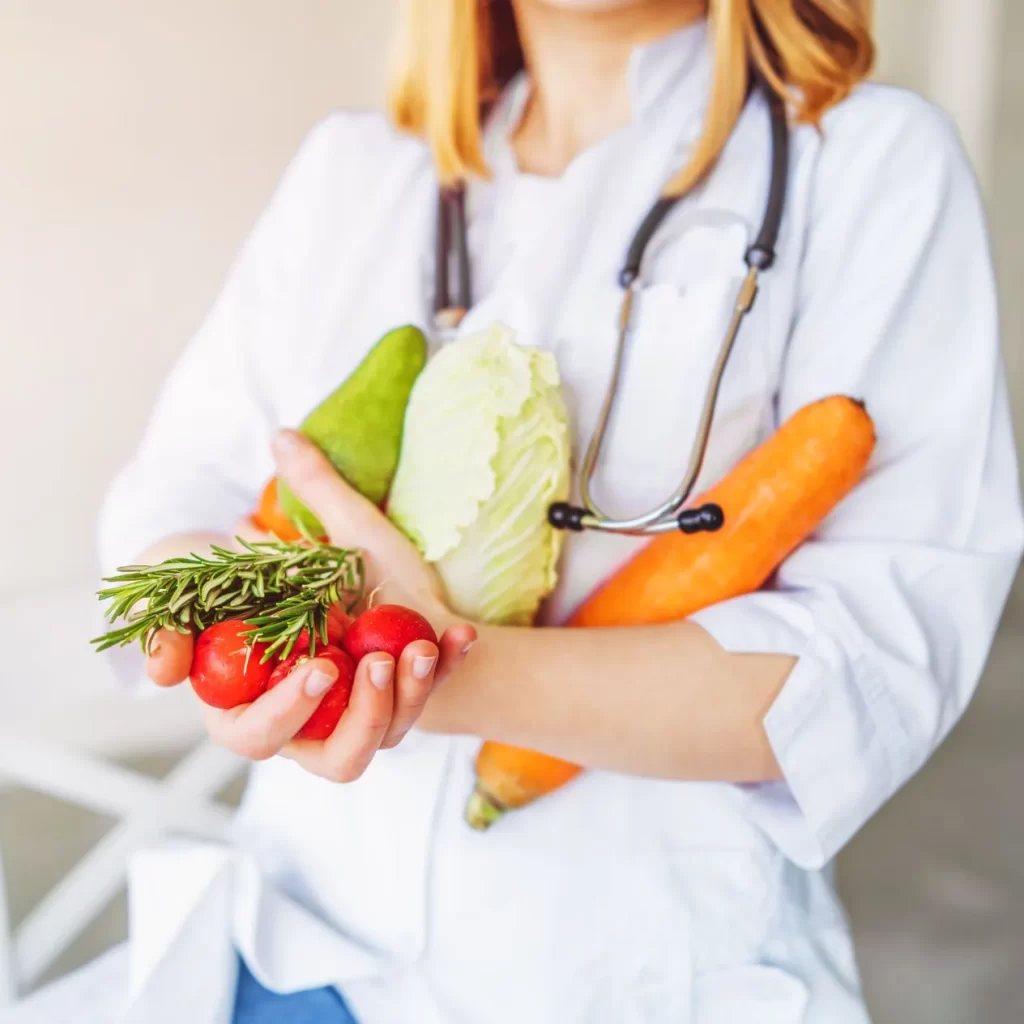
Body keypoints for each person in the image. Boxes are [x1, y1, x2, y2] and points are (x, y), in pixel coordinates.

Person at [19, 1, 1023, 1021]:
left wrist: (431, 659)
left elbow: (859, 673)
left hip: (621, 975)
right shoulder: (353, 172)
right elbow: (175, 494)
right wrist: (228, 621)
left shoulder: (866, 164)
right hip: (297, 948)